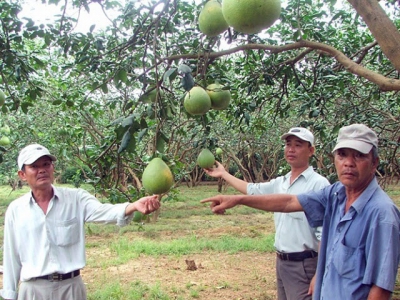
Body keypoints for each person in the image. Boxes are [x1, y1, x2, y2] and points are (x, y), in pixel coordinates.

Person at [201, 124, 400, 300]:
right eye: (342, 155)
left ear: (374, 163)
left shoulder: (382, 215)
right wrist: (238, 200)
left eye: (359, 155)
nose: (348, 163)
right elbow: (289, 202)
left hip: (303, 264)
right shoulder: (335, 194)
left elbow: (381, 288)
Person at [0, 144, 161, 300]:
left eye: (46, 164)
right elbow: (11, 255)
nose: (42, 169)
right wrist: (9, 295)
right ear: (22, 174)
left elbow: (102, 211)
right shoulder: (16, 210)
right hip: (33, 290)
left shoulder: (75, 199)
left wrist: (133, 206)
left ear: (53, 168)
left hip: (70, 287)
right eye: (34, 166)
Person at [204, 127, 330, 300]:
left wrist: (319, 273)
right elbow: (253, 190)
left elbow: (325, 233)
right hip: (282, 262)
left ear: (311, 151)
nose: (291, 149)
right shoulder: (282, 182)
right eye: (288, 144)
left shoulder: (319, 185)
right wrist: (224, 174)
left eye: (298, 145)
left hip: (304, 264)